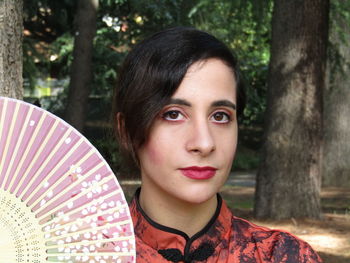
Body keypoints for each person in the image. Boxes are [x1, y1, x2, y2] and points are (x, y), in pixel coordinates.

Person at [112, 27, 322, 263]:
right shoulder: (87, 255)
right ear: (126, 130)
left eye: (220, 116)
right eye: (173, 114)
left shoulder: (282, 256)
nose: (204, 143)